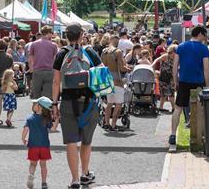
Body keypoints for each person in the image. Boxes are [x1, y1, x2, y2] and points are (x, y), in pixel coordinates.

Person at [52, 23, 102, 188]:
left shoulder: (61, 54)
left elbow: (56, 82)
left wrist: (54, 104)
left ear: (66, 36)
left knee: (71, 142)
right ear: (82, 35)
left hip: (67, 101)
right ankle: (84, 174)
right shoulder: (90, 52)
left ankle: (74, 179)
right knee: (86, 141)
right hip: (89, 102)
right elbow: (102, 74)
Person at [169, 26, 209, 149]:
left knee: (178, 108)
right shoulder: (203, 48)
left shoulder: (180, 47)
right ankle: (201, 135)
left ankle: (172, 135)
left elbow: (175, 66)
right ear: (200, 34)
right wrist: (208, 86)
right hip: (198, 81)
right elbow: (206, 69)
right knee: (201, 108)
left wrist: (175, 81)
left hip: (184, 81)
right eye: (205, 35)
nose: (205, 38)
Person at [22, 96, 53, 189]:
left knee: (33, 164)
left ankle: (31, 175)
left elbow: (25, 129)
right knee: (43, 165)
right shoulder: (47, 119)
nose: (33, 105)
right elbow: (53, 129)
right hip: (44, 146)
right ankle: (44, 183)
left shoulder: (30, 118)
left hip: (33, 146)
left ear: (39, 107)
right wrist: (56, 120)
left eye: (35, 104)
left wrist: (23, 138)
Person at [102, 35, 131, 131]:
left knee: (109, 103)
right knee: (118, 104)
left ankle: (106, 123)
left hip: (107, 80)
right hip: (117, 80)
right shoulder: (118, 52)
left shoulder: (104, 51)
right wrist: (129, 69)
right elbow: (122, 68)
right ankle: (113, 124)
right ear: (116, 42)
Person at [29, 26, 58, 99]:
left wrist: (31, 68)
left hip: (37, 71)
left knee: (36, 93)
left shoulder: (34, 44)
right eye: (51, 33)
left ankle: (36, 109)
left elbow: (30, 58)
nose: (52, 35)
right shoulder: (53, 45)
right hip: (49, 71)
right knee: (47, 95)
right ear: (48, 33)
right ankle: (45, 109)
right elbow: (55, 59)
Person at [152, 45, 176, 112]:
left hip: (171, 78)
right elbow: (157, 59)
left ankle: (166, 107)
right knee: (164, 94)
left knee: (170, 93)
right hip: (163, 77)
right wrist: (152, 66)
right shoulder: (166, 56)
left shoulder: (175, 58)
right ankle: (167, 108)